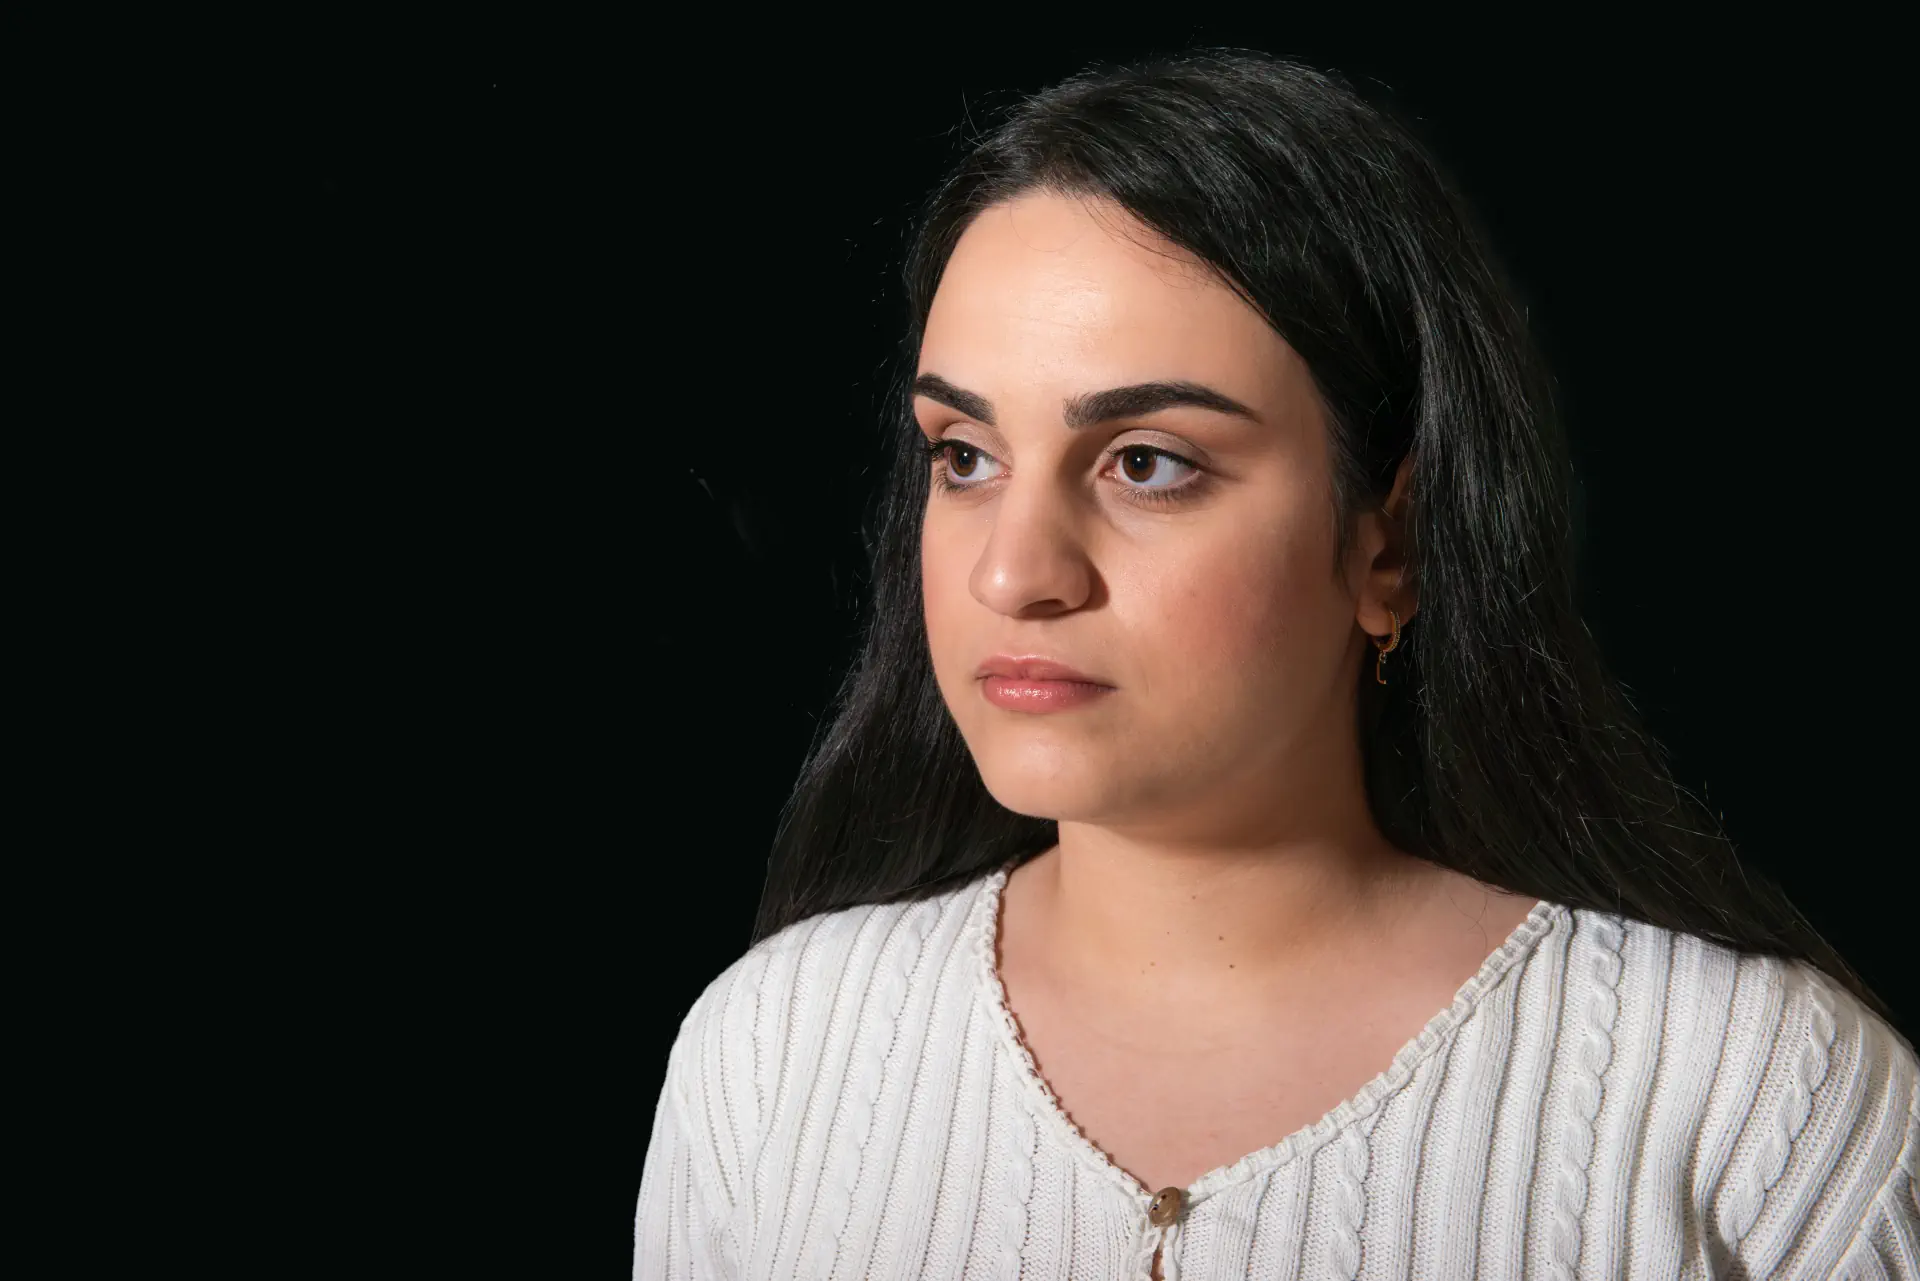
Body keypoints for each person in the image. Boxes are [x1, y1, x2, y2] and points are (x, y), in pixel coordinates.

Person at [634, 48, 1916, 1280]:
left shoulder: (1757, 1108)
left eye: (1147, 463)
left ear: (1392, 544)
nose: (1012, 576)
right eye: (965, 457)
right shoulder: (773, 1058)